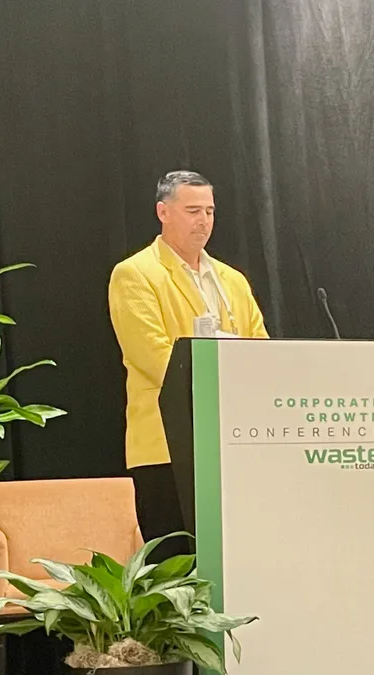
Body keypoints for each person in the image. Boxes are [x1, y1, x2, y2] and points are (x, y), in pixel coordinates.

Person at [108, 170, 269, 562]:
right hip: (167, 445)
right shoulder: (135, 274)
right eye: (193, 210)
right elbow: (154, 358)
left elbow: (261, 351)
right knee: (176, 567)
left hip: (233, 441)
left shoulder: (232, 280)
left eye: (210, 211)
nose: (204, 221)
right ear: (163, 212)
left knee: (235, 561)